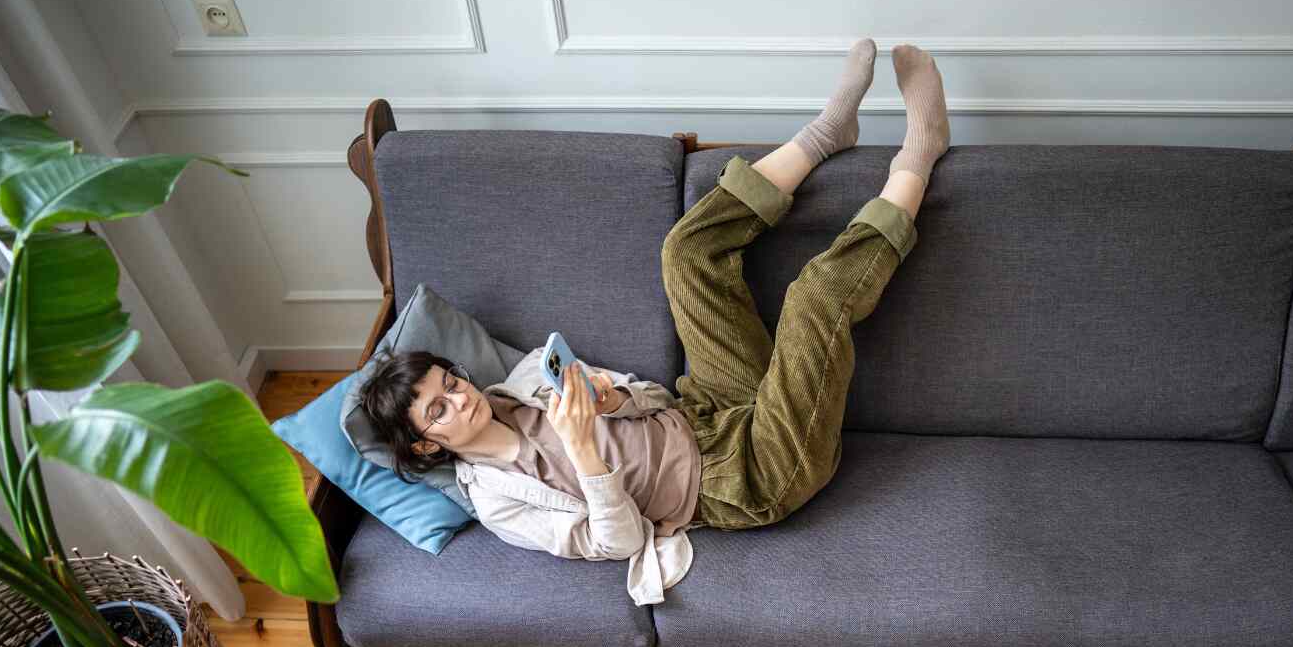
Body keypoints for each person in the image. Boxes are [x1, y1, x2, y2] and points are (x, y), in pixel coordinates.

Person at [360, 40, 951, 606]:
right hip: (744, 478)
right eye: (438, 410)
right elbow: (611, 544)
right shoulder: (496, 499)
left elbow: (650, 397)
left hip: (705, 410)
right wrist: (584, 450)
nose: (459, 401)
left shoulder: (523, 385)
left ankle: (825, 133)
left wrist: (612, 398)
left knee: (685, 254)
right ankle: (919, 155)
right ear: (424, 444)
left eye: (451, 384)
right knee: (814, 298)